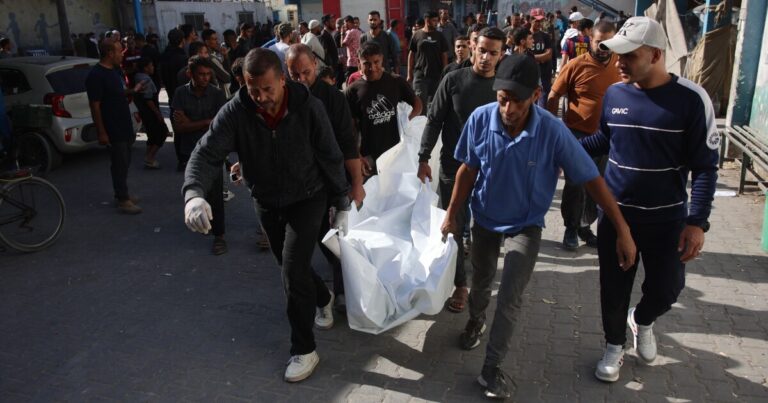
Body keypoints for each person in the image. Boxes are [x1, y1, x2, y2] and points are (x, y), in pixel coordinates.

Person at [440, 54, 636, 399]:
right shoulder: (480, 120)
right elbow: (467, 170)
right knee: (481, 283)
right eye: (503, 99)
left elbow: (592, 179)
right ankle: (475, 320)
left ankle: (491, 370)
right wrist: (452, 214)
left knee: (510, 298)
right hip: (485, 218)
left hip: (526, 226)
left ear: (537, 94)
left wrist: (622, 229)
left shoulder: (552, 130)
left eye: (518, 100)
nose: (509, 109)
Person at [182, 48, 351, 383]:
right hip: (266, 200)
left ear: (282, 81)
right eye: (252, 89)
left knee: (292, 269)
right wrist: (193, 195)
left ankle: (304, 350)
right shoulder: (236, 112)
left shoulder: (308, 107)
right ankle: (323, 296)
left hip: (308, 197)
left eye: (267, 89)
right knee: (290, 266)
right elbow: (206, 153)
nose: (260, 97)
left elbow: (330, 154)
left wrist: (342, 203)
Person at [580, 17, 719, 384]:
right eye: (617, 55)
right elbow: (602, 142)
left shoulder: (691, 100)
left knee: (667, 288)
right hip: (616, 216)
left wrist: (697, 223)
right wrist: (563, 149)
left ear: (656, 55)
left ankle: (641, 320)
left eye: (629, 55)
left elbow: (705, 167)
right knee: (613, 288)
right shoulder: (616, 94)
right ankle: (613, 346)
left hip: (667, 220)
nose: (620, 63)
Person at [417, 27, 505, 315]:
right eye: (483, 50)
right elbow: (434, 120)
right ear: (472, 47)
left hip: (491, 172)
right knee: (453, 225)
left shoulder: (504, 87)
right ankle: (459, 284)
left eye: (494, 52)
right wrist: (423, 157)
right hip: (453, 169)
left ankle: (481, 280)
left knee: (484, 231)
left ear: (501, 54)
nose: (487, 57)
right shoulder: (453, 80)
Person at [285, 43, 365, 312]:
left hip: (333, 182)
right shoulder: (285, 97)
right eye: (294, 75)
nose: (301, 80)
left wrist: (356, 184)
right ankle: (325, 293)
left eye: (305, 73)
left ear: (315, 67)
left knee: (339, 238)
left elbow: (347, 142)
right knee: (316, 240)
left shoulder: (333, 98)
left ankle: (344, 292)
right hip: (301, 186)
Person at [546, 21, 619, 250]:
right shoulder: (576, 65)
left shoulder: (621, 64)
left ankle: (585, 227)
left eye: (608, 42)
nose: (603, 47)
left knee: (598, 185)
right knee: (576, 184)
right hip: (577, 136)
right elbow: (552, 96)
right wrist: (553, 129)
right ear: (590, 40)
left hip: (607, 137)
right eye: (599, 42)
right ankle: (570, 227)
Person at [174, 56, 229, 254]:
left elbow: (221, 126)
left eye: (208, 74)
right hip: (189, 150)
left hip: (213, 152)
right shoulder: (181, 93)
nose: (205, 78)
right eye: (201, 74)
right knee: (196, 190)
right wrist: (207, 122)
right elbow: (179, 127)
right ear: (191, 74)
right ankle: (202, 220)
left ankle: (219, 235)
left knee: (215, 193)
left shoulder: (216, 95)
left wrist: (192, 123)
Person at [86, 38, 146, 215]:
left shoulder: (115, 71)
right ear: (110, 53)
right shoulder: (96, 75)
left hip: (124, 123)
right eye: (120, 51)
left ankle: (122, 192)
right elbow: (95, 105)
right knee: (119, 162)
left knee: (125, 160)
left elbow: (119, 92)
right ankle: (122, 199)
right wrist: (101, 132)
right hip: (112, 127)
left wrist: (133, 90)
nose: (122, 54)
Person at [345, 42, 422, 177]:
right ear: (359, 63)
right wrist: (357, 155)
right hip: (368, 156)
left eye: (376, 62)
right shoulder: (353, 90)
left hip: (396, 152)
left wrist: (406, 121)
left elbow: (418, 104)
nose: (372, 68)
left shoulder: (396, 81)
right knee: (371, 194)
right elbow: (350, 127)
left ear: (382, 60)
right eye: (367, 63)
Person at [407, 11, 449, 113]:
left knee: (435, 105)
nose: (436, 23)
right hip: (420, 75)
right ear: (427, 21)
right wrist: (409, 73)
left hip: (436, 75)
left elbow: (444, 55)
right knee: (420, 105)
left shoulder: (440, 36)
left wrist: (445, 73)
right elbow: (411, 55)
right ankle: (421, 127)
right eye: (434, 20)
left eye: (437, 20)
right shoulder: (417, 35)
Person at [134, 58, 169, 169]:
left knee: (152, 134)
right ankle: (150, 156)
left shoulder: (138, 76)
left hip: (144, 111)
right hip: (150, 111)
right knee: (162, 131)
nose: (153, 68)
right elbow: (149, 99)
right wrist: (158, 114)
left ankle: (148, 157)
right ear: (145, 68)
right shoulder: (146, 79)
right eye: (151, 66)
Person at [530, 9, 553, 109]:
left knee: (543, 104)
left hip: (544, 74)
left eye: (540, 21)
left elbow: (548, 55)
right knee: (530, 104)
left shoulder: (545, 36)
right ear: (531, 20)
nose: (539, 23)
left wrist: (530, 57)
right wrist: (540, 57)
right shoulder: (526, 35)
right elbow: (521, 55)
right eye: (536, 20)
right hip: (529, 73)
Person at [341, 15, 362, 82]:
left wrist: (342, 33)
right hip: (358, 61)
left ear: (348, 22)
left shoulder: (351, 32)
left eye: (345, 23)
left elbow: (342, 44)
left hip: (352, 62)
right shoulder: (359, 31)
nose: (344, 25)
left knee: (349, 81)